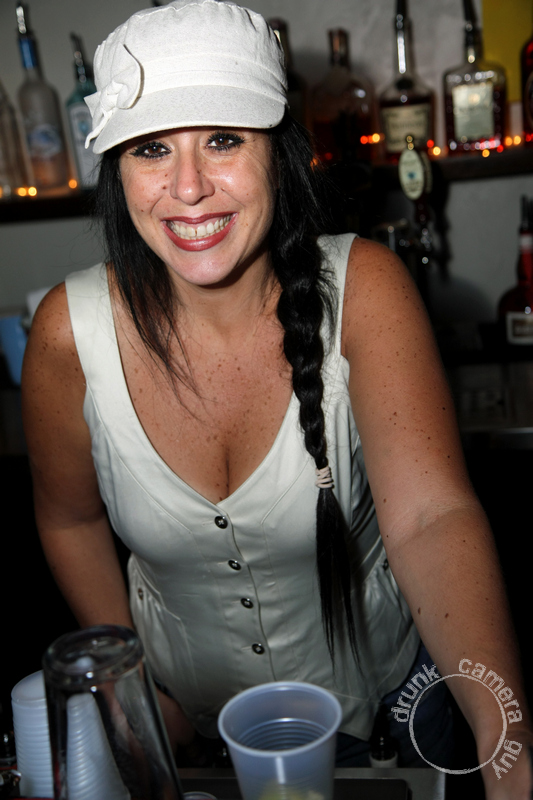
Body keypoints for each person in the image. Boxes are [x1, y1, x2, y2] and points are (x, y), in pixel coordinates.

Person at [22, 1, 531, 796]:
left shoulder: (365, 291)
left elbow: (431, 519)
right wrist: (134, 686)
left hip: (388, 722)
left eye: (223, 139)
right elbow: (70, 520)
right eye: (152, 148)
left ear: (280, 152)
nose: (188, 187)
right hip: (185, 734)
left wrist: (507, 741)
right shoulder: (66, 335)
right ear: (117, 169)